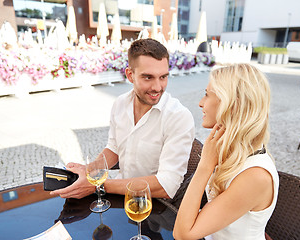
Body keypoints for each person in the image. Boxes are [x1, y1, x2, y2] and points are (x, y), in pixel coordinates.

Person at [51, 39, 195, 199]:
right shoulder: (120, 104)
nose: (157, 87)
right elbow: (114, 148)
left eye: (163, 77)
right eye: (148, 78)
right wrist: (88, 170)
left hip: (156, 205)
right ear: (130, 75)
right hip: (120, 192)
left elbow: (167, 186)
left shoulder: (179, 117)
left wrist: (97, 185)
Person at [173, 64, 279, 240]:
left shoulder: (255, 176)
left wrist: (205, 166)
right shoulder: (236, 152)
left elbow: (183, 234)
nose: (200, 103)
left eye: (207, 95)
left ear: (231, 104)